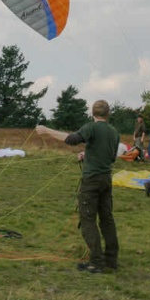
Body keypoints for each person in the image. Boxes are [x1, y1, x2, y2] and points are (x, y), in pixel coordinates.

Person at [64, 100, 120, 274]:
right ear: (108, 113)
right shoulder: (114, 132)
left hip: (92, 181)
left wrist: (46, 131)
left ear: (93, 113)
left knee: (87, 219)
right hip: (106, 180)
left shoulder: (91, 127)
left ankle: (96, 262)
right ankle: (111, 259)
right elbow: (110, 158)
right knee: (106, 218)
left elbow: (72, 139)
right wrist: (87, 154)